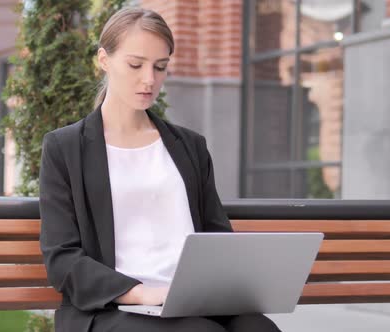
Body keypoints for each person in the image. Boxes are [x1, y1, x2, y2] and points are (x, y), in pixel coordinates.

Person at [39, 7, 282, 332]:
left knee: (259, 329)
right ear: (103, 60)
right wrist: (142, 293)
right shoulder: (65, 148)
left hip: (189, 301)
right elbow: (62, 258)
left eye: (160, 67)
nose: (149, 80)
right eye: (135, 65)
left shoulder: (189, 147)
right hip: (111, 308)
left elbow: (216, 234)